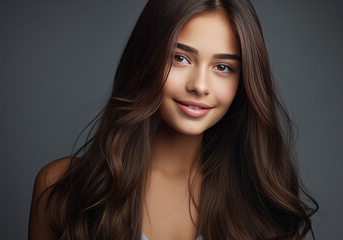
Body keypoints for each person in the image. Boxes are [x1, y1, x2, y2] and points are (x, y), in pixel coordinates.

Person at [28, 0, 318, 239]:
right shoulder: (61, 189)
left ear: (244, 81)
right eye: (181, 58)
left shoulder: (261, 205)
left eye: (222, 67)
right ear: (145, 58)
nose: (200, 85)